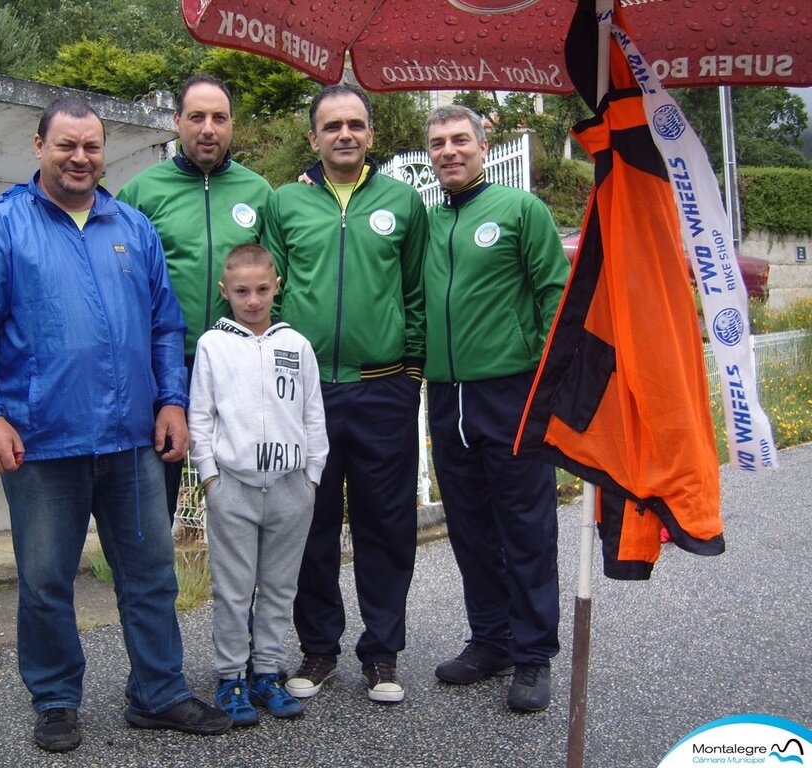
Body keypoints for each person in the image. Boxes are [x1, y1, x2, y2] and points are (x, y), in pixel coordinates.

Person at [0, 96, 231, 753]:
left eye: (92, 147)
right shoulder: (0, 230)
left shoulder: (132, 226)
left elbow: (165, 324)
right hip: (41, 443)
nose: (80, 158)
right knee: (46, 580)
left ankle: (158, 693)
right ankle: (54, 699)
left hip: (131, 439)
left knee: (151, 573)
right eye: (66, 145)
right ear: (39, 147)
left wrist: (171, 401)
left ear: (105, 153)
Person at [264, 83, 428, 704]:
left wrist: (411, 374)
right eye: (332, 126)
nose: (345, 135)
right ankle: (319, 649)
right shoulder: (286, 203)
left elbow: (414, 291)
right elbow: (272, 295)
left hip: (383, 389)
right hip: (306, 395)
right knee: (310, 524)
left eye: (355, 125)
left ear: (371, 134)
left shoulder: (402, 202)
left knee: (387, 524)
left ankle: (382, 656)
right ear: (313, 137)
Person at [422, 105, 569, 712]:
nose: (449, 151)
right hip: (447, 395)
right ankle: (491, 640)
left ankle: (533, 656)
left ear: (484, 147)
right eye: (438, 143)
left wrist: (533, 363)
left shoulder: (520, 210)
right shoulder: (426, 219)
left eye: (461, 140)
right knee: (471, 528)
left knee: (526, 527)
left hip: (511, 392)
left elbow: (555, 291)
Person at [117, 74, 272, 523]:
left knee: (238, 498)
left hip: (236, 365)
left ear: (231, 125)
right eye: (197, 117)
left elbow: (275, 278)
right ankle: (153, 591)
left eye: (219, 118)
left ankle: (239, 592)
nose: (208, 128)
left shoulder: (259, 192)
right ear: (176, 121)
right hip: (162, 366)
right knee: (152, 502)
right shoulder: (142, 193)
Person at [189, 243, 329, 726]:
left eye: (262, 290)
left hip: (292, 487)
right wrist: (209, 475)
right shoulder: (213, 345)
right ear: (225, 291)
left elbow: (313, 413)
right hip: (233, 487)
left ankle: (267, 671)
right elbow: (200, 415)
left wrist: (312, 474)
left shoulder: (297, 345)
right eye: (242, 291)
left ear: (277, 287)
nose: (252, 300)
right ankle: (230, 677)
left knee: (279, 586)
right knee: (233, 588)